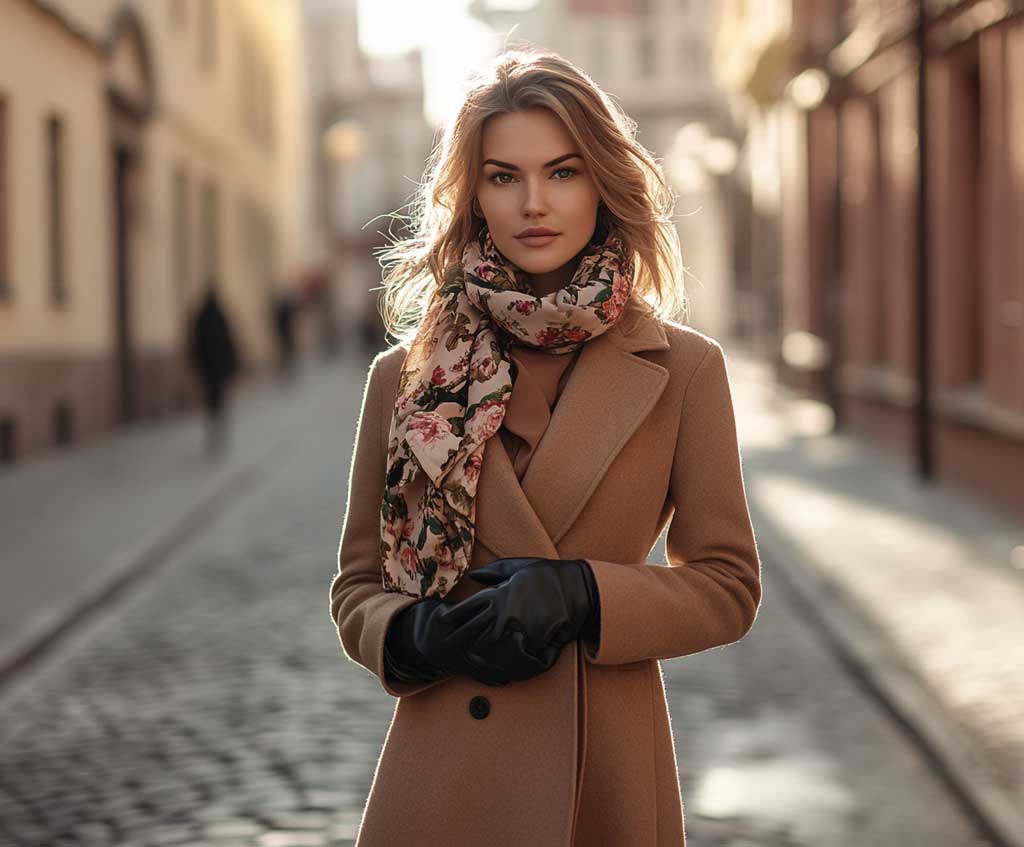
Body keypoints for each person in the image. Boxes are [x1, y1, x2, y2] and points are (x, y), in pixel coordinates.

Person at [329, 47, 762, 847]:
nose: (534, 202)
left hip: (604, 779)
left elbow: (729, 585)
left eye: (562, 172)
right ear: (473, 196)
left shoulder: (683, 370)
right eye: (503, 176)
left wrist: (586, 596)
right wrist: (412, 634)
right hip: (445, 781)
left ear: (602, 183)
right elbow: (357, 586)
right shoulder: (408, 375)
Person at [189, 282, 240, 455]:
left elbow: (195, 344)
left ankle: (214, 427)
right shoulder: (220, 316)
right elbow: (229, 343)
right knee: (219, 399)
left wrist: (197, 364)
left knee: (211, 399)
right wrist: (233, 365)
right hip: (219, 368)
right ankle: (218, 426)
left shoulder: (201, 317)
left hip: (208, 369)